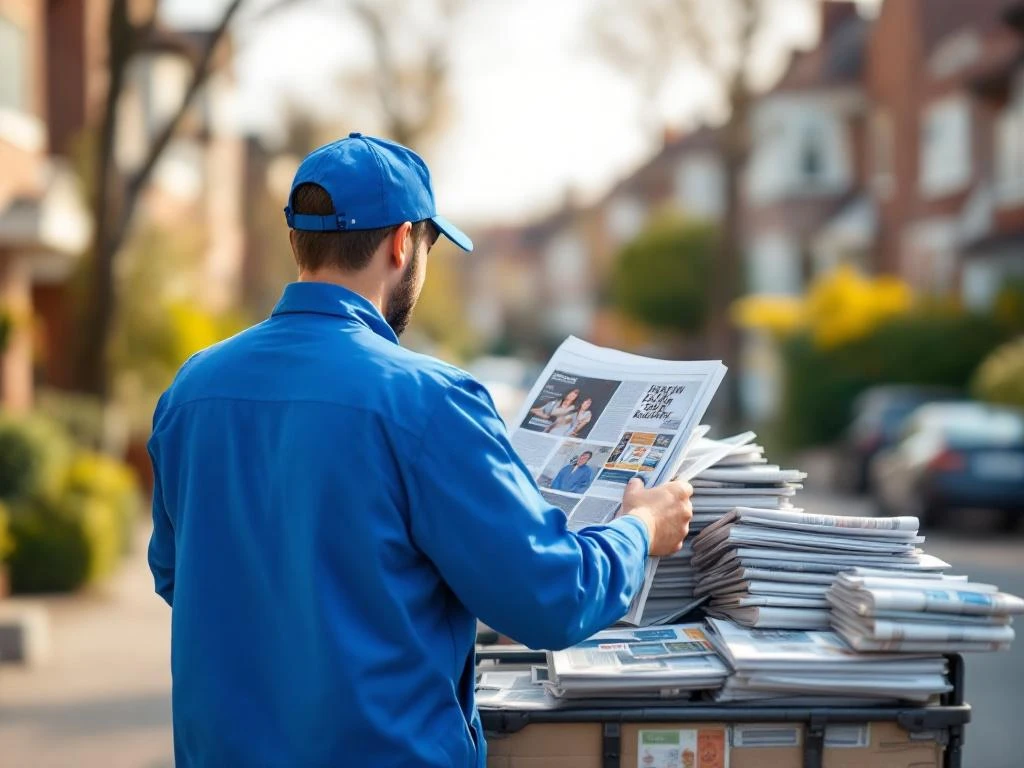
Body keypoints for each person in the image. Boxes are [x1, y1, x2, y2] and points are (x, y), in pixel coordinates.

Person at [147, 133, 693, 768]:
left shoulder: (192, 389)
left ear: (299, 242)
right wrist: (640, 528)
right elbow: (552, 597)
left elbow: (176, 575)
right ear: (402, 243)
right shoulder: (429, 401)